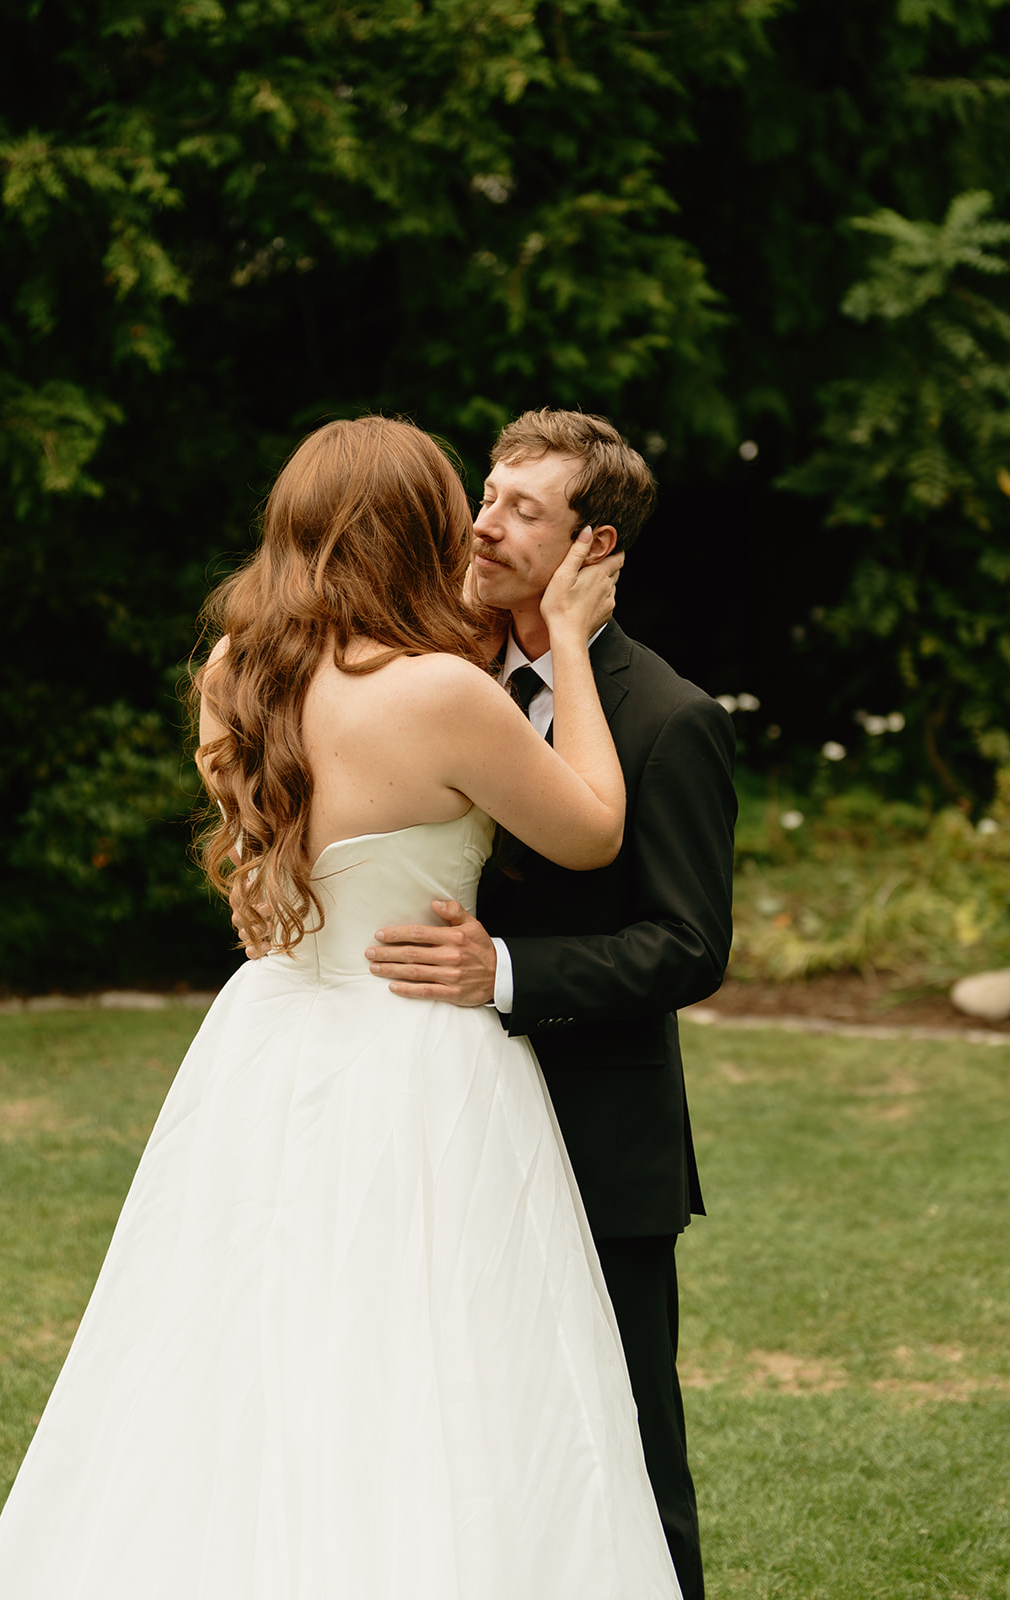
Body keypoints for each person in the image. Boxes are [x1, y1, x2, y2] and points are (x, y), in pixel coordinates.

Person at [0, 416, 682, 1600]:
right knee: (427, 1353)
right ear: (411, 530)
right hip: (414, 1052)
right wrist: (564, 636)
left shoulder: (231, 676)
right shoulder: (443, 695)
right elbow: (592, 823)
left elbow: (269, 869)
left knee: (241, 1338)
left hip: (268, 1037)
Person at [364, 409, 737, 1600]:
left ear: (594, 546)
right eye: (487, 493)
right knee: (463, 1433)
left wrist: (508, 976)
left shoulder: (668, 718)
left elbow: (686, 944)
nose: (482, 521)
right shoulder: (435, 671)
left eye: (522, 509)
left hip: (596, 1143)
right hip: (440, 1123)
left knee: (619, 1448)